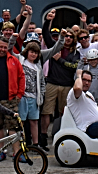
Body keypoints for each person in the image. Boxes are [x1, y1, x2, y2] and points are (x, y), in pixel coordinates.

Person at [9, 14, 66, 151]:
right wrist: (13, 39)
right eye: (31, 51)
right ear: (26, 50)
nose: (33, 54)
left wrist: (62, 38)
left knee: (34, 121)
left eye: (35, 51)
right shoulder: (19, 59)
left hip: (34, 97)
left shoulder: (40, 60)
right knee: (21, 122)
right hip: (22, 97)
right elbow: (9, 50)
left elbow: (55, 49)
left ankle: (35, 145)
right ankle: (21, 144)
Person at [39, 15, 79, 152]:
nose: (68, 38)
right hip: (52, 82)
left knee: (64, 112)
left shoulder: (76, 53)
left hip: (67, 85)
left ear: (74, 39)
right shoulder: (56, 47)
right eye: (66, 36)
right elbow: (45, 34)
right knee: (46, 111)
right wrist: (49, 20)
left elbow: (73, 66)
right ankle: (43, 136)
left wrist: (59, 61)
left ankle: (60, 134)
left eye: (70, 37)